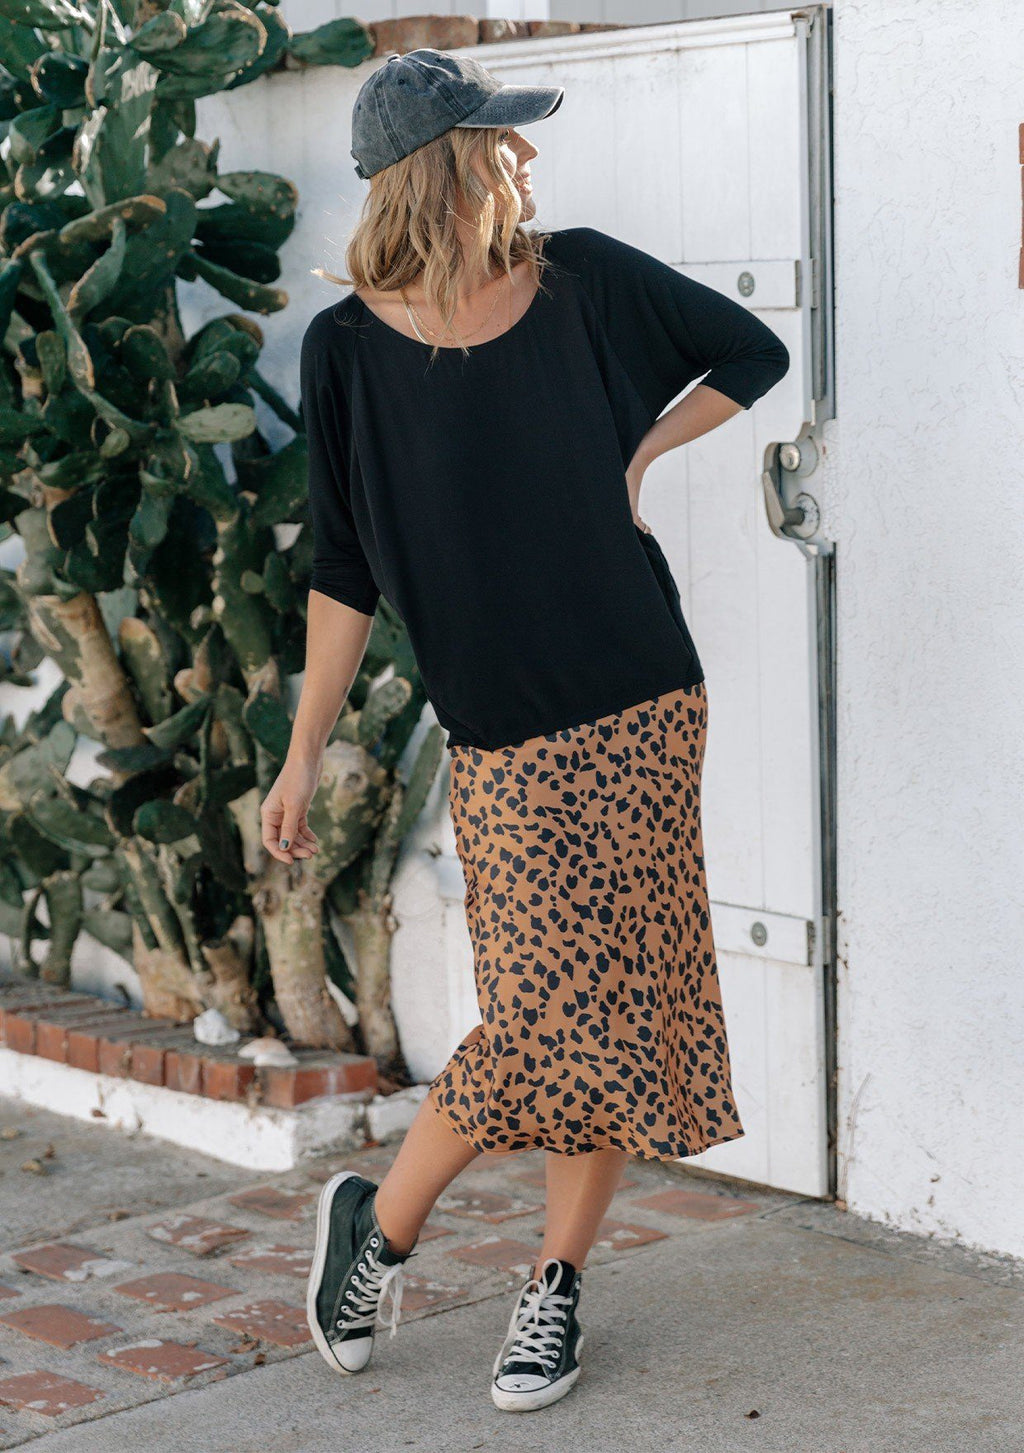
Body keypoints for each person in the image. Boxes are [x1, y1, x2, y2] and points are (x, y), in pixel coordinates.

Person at [260, 46, 790, 1415]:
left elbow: (756, 350)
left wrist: (640, 453)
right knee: (555, 1015)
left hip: (646, 702)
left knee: (620, 1004)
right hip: (503, 738)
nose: (527, 157)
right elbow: (342, 571)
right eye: (502, 140)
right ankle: (377, 1228)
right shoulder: (347, 352)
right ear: (445, 169)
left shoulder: (586, 282)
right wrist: (304, 749)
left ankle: (551, 1285)